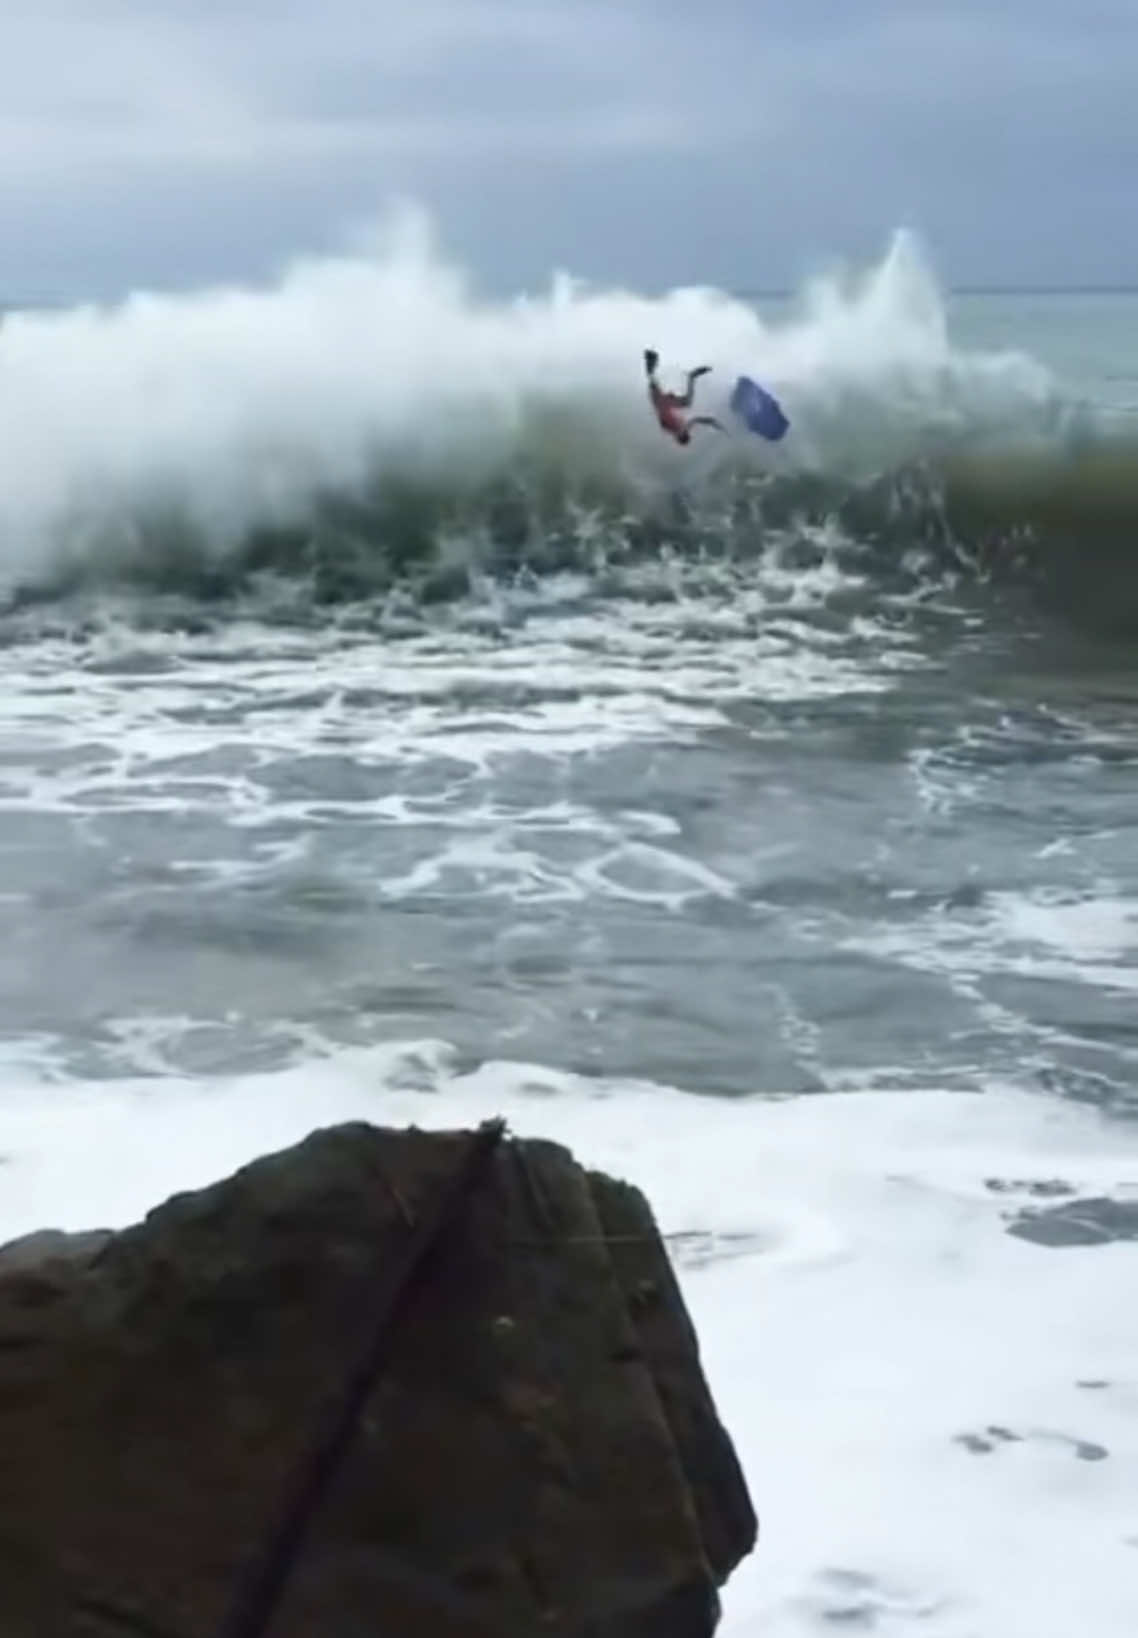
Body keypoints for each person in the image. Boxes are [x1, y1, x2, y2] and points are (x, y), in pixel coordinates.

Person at [643, 349, 724, 445]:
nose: (683, 432)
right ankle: (691, 377)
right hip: (664, 402)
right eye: (684, 434)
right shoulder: (682, 429)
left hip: (661, 402)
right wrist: (712, 422)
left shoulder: (675, 430)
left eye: (682, 435)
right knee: (687, 402)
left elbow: (695, 420)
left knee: (652, 380)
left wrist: (711, 422)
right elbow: (696, 420)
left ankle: (650, 360)